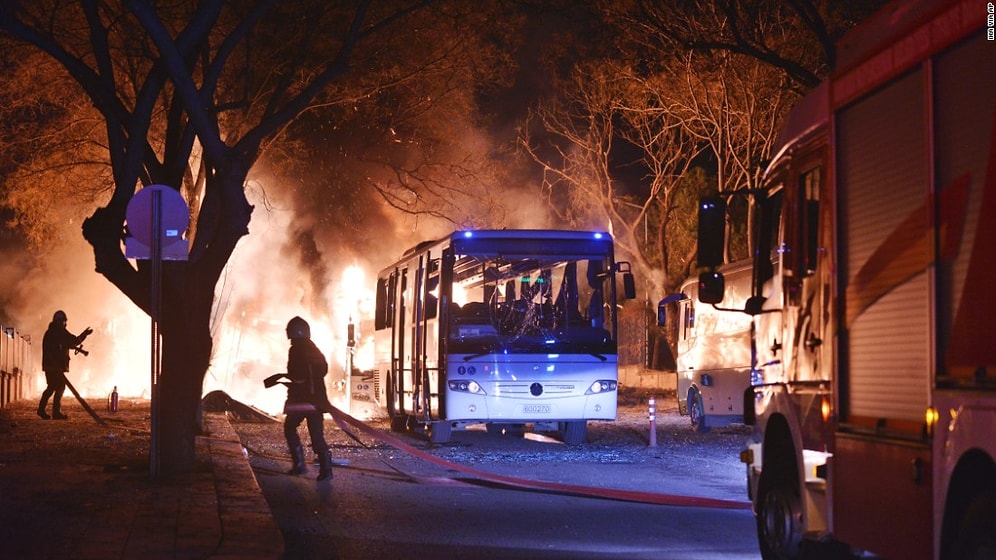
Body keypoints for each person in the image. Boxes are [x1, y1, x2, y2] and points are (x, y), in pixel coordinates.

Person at [282, 316, 334, 482]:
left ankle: (299, 465)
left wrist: (290, 380)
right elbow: (324, 369)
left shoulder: (295, 349)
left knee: (289, 428)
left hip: (301, 400)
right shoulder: (315, 349)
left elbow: (296, 374)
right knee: (317, 436)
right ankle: (326, 470)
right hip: (317, 402)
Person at [37, 310, 92, 420]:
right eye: (63, 321)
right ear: (59, 322)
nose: (64, 323)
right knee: (58, 387)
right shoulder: (58, 332)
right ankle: (53, 412)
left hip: (52, 366)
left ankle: (43, 410)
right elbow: (73, 341)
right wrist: (84, 335)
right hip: (54, 366)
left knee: (53, 387)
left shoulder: (52, 332)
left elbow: (68, 343)